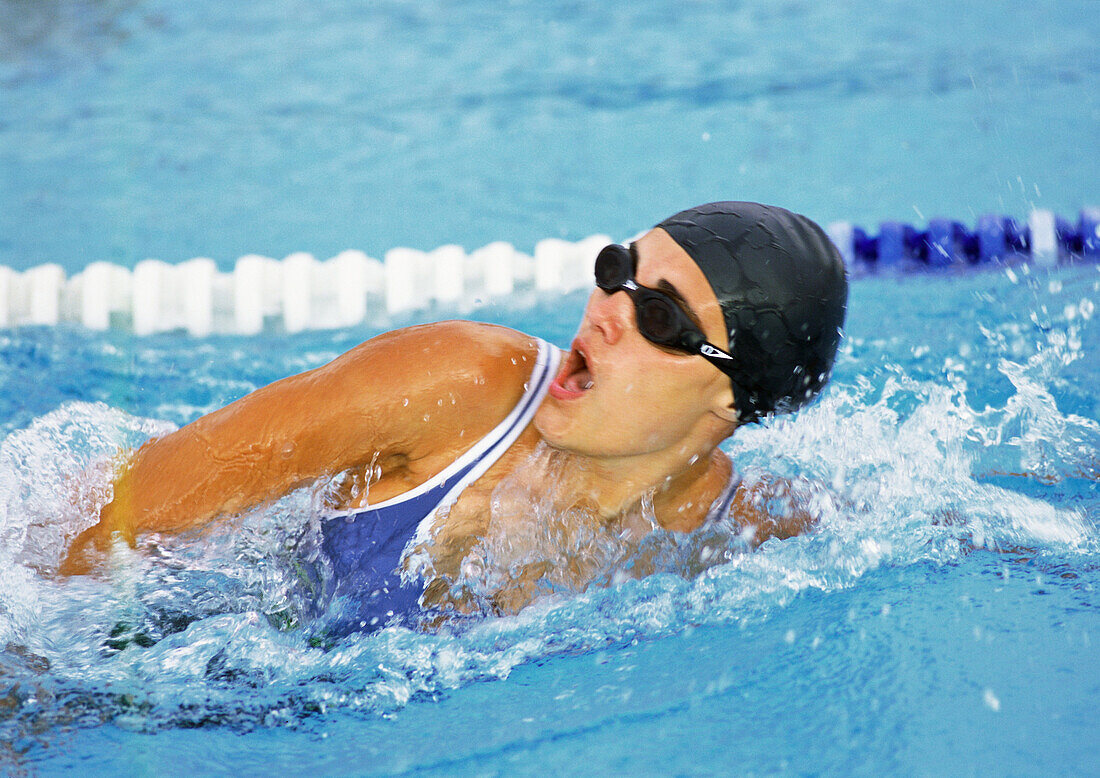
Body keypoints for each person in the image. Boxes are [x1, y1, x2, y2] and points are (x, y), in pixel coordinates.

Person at [59, 201, 848, 634]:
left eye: (663, 320)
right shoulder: (458, 386)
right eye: (618, 271)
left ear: (731, 403)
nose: (609, 309)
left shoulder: (732, 529)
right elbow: (116, 513)